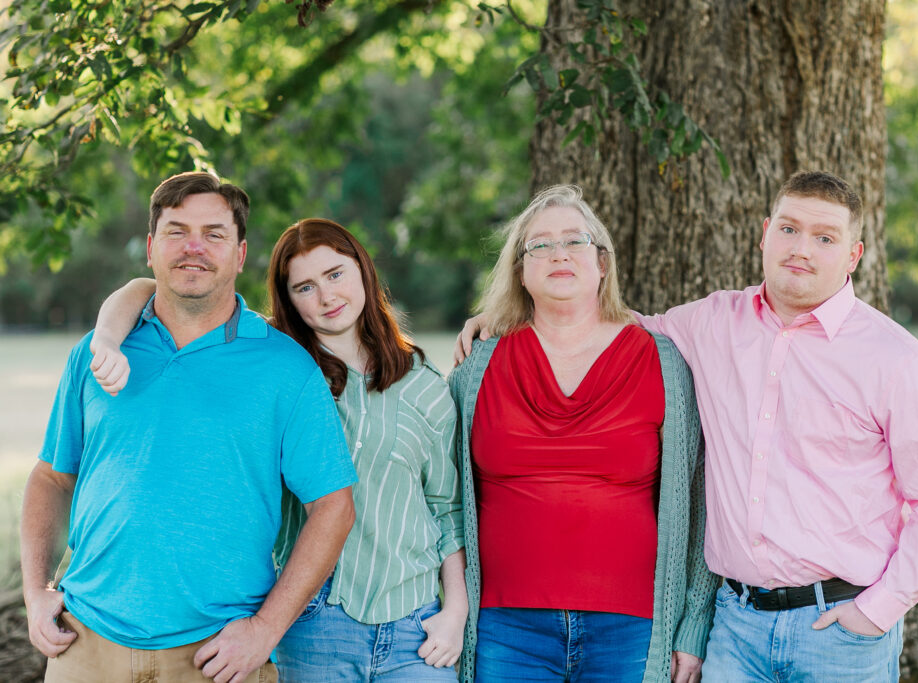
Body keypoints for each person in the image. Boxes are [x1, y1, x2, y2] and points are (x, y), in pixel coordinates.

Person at [456, 171, 918, 682]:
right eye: (788, 229)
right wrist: (495, 321)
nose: (801, 248)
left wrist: (877, 610)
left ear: (853, 255)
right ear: (764, 234)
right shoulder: (710, 323)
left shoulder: (897, 361)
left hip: (839, 629)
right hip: (737, 631)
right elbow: (603, 324)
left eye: (825, 237)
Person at [89, 218, 468, 681]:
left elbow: (447, 511)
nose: (327, 297)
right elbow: (145, 288)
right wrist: (106, 340)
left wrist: (456, 613)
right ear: (287, 299)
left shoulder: (424, 387)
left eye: (335, 274)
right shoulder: (273, 369)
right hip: (312, 623)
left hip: (415, 625)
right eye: (304, 286)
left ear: (363, 271)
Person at [21, 172, 358, 683]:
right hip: (85, 642)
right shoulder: (99, 351)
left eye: (214, 234)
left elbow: (333, 507)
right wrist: (34, 591)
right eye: (177, 232)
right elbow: (51, 477)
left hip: (217, 655)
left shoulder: (284, 368)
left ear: (240, 254)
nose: (194, 248)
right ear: (152, 248)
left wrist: (265, 631)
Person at [448, 185, 717, 683]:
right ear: (521, 271)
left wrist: (693, 625)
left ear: (602, 263)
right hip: (505, 629)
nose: (559, 254)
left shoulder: (664, 361)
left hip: (633, 628)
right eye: (540, 245)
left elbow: (701, 503)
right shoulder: (478, 366)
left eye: (575, 240)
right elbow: (445, 499)